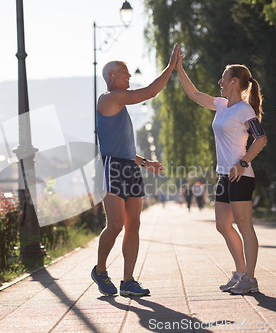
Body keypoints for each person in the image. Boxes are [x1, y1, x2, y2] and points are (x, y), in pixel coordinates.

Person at [91, 44, 180, 297]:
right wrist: (171, 67)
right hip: (113, 168)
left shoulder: (120, 105)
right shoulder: (110, 99)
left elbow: (123, 147)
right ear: (111, 76)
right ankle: (100, 270)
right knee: (116, 224)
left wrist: (145, 162)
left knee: (134, 224)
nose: (129, 77)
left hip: (130, 167)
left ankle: (128, 280)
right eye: (124, 73)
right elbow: (151, 91)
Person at [176, 51, 268, 295]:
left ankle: (250, 278)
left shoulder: (245, 111)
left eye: (223, 78)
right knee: (222, 225)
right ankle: (240, 273)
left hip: (240, 176)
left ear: (234, 81)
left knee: (244, 226)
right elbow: (194, 94)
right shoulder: (221, 104)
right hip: (223, 175)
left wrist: (243, 163)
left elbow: (261, 139)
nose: (220, 82)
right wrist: (179, 69)